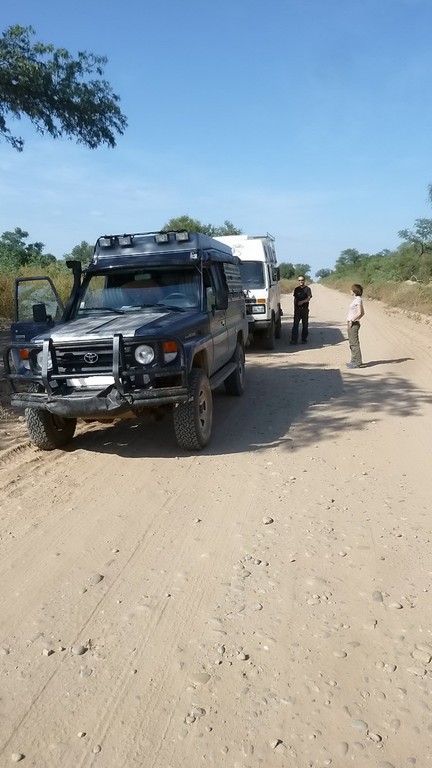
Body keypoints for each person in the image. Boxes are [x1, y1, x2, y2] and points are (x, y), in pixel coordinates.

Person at [346, 283, 365, 368]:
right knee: (352, 343)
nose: (350, 291)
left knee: (354, 343)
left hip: (353, 324)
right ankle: (353, 360)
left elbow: (360, 312)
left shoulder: (357, 300)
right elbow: (362, 313)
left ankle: (357, 362)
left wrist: (352, 320)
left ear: (354, 291)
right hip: (353, 323)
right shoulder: (357, 299)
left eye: (351, 289)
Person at [290, 275, 312, 344]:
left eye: (302, 280)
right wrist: (295, 308)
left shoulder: (308, 289)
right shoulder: (296, 289)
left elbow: (308, 298)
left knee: (305, 325)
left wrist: (302, 302)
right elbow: (295, 299)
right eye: (299, 280)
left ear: (304, 281)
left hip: (305, 310)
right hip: (297, 310)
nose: (301, 281)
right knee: (295, 325)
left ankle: (303, 339)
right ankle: (294, 340)